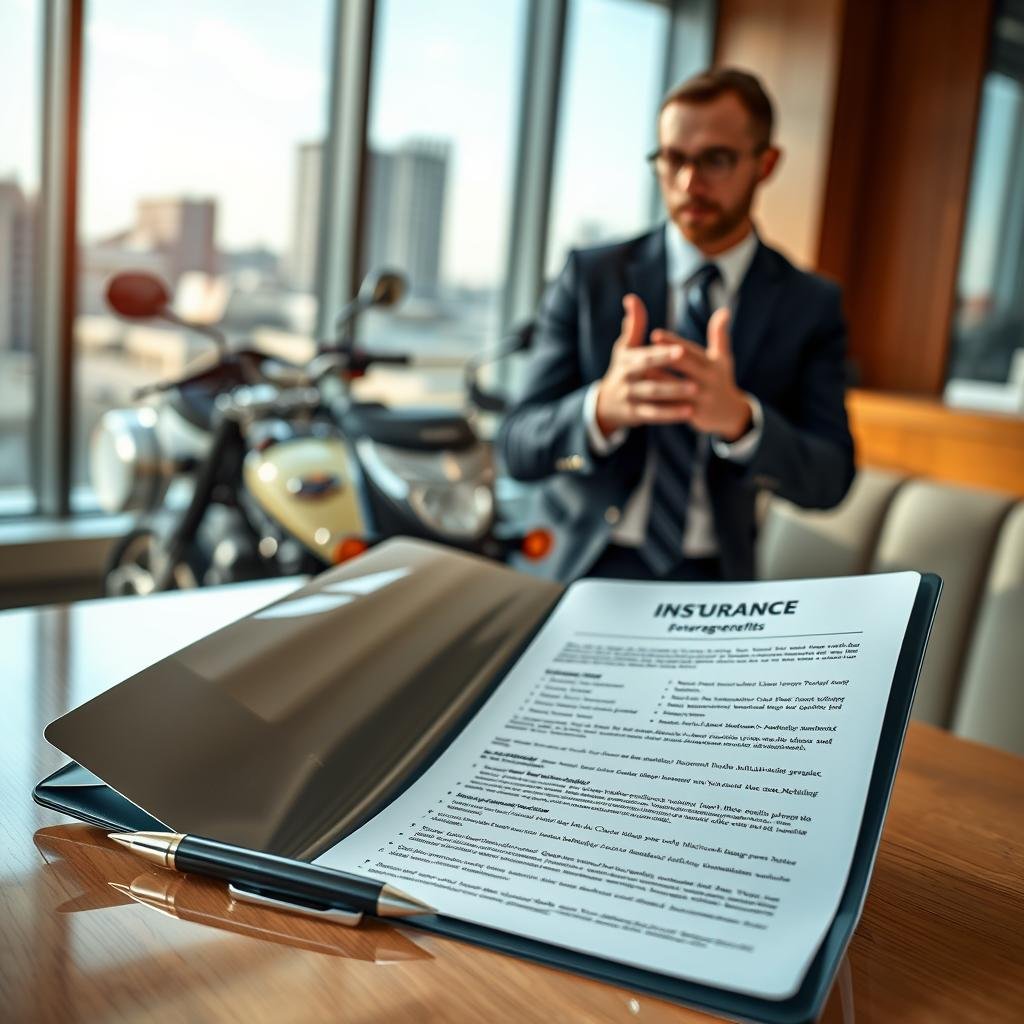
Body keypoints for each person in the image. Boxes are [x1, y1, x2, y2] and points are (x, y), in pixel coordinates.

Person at [497, 67, 855, 582]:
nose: (689, 182)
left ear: (766, 164)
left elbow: (831, 479)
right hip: (579, 568)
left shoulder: (810, 304)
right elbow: (515, 448)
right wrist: (600, 410)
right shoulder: (591, 277)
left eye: (715, 159)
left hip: (714, 580)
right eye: (673, 159)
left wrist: (742, 424)